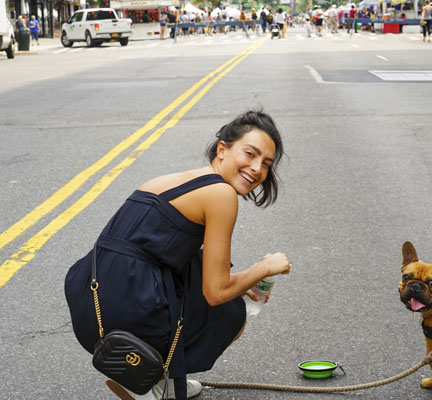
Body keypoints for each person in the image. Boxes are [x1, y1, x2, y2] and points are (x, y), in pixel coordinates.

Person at [64, 111, 291, 400]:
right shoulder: (220, 194)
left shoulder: (177, 180)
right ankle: (140, 382)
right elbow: (216, 292)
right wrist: (265, 268)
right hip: (121, 314)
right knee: (230, 312)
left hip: (89, 304)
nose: (257, 168)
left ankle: (159, 382)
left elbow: (195, 271)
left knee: (196, 273)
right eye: (250, 153)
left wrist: (243, 282)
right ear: (222, 149)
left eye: (266, 164)